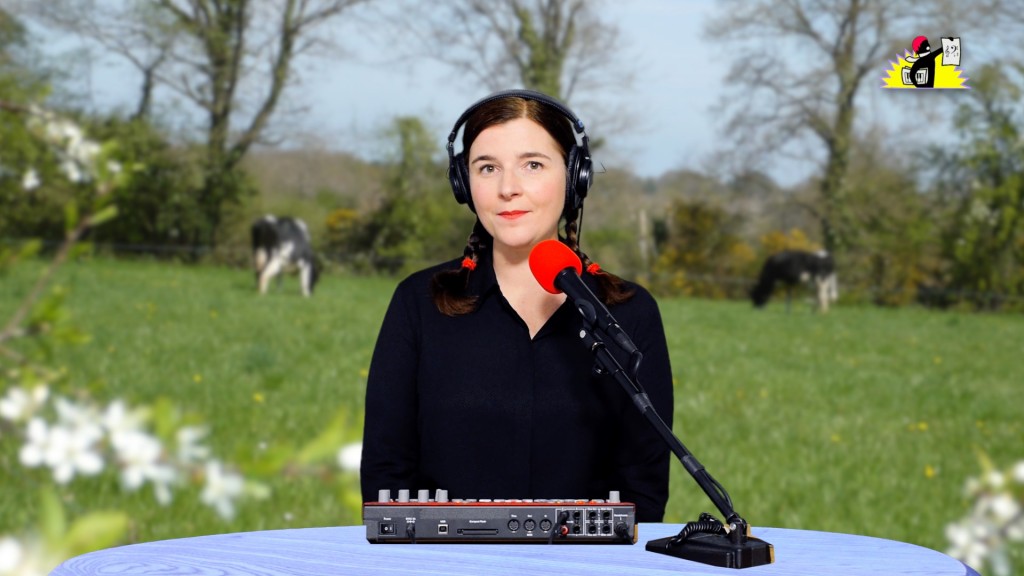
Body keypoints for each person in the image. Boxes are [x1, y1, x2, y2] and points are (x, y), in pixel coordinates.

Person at [359, 89, 674, 522]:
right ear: (464, 184)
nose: (509, 188)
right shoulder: (418, 303)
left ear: (574, 176)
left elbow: (645, 487)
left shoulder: (631, 314)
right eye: (487, 168)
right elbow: (386, 472)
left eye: (533, 165)